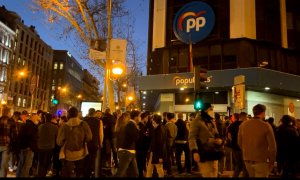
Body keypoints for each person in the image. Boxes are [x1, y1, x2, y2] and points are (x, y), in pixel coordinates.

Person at [238, 104, 277, 178]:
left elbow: (239, 142)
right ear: (263, 113)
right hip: (261, 160)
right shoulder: (266, 125)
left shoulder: (243, 125)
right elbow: (272, 146)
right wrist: (272, 161)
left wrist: (246, 152)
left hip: (247, 159)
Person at [189, 103, 223, 177]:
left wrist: (219, 140)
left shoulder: (211, 121)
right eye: (210, 109)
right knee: (208, 174)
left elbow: (217, 134)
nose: (212, 111)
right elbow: (192, 138)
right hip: (204, 153)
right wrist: (194, 151)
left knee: (214, 174)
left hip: (214, 153)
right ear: (205, 110)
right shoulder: (196, 121)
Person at [56, 107, 92, 177]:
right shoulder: (84, 124)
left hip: (68, 154)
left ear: (68, 114)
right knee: (79, 172)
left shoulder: (64, 126)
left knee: (68, 173)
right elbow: (89, 137)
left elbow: (59, 141)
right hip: (81, 153)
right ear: (77, 114)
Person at [114, 110, 140, 177]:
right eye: (139, 116)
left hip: (129, 151)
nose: (140, 118)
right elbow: (136, 137)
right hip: (126, 152)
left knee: (134, 173)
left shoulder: (126, 125)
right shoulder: (129, 125)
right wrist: (137, 129)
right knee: (121, 173)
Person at [16, 111, 41, 177]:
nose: (37, 120)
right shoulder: (32, 126)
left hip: (22, 147)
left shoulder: (25, 125)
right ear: (33, 119)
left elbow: (20, 136)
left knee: (21, 164)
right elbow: (32, 137)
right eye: (36, 119)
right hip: (29, 148)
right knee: (27, 166)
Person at [227, 112, 249, 178]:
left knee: (238, 165)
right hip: (244, 148)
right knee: (245, 166)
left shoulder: (232, 125)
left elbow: (229, 136)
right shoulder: (246, 125)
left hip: (235, 148)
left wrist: (233, 142)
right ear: (244, 117)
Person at [83, 108, 104, 178]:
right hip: (95, 143)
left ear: (88, 113)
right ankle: (94, 173)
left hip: (86, 143)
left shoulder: (84, 121)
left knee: (86, 159)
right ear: (94, 113)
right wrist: (100, 143)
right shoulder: (99, 121)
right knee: (94, 160)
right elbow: (100, 134)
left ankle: (86, 173)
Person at [36, 113, 58, 177]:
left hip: (40, 147)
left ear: (45, 118)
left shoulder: (40, 126)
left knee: (40, 161)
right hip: (50, 147)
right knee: (46, 163)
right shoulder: (55, 127)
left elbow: (38, 135)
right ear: (51, 119)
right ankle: (43, 174)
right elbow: (57, 137)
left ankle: (39, 174)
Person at [0, 106, 17, 177]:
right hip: (6, 146)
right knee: (4, 165)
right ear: (9, 112)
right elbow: (14, 135)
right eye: (11, 112)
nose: (12, 114)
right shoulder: (11, 121)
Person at [136, 111, 151, 177]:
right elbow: (141, 137)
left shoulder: (140, 125)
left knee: (141, 162)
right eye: (147, 117)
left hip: (140, 148)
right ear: (144, 118)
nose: (147, 119)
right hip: (141, 148)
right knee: (140, 162)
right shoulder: (141, 126)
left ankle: (140, 173)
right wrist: (146, 136)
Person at [164, 112, 178, 177]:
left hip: (167, 143)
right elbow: (175, 135)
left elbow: (164, 136)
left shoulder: (166, 126)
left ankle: (168, 171)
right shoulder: (175, 126)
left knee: (167, 157)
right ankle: (170, 171)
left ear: (167, 118)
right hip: (172, 142)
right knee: (170, 156)